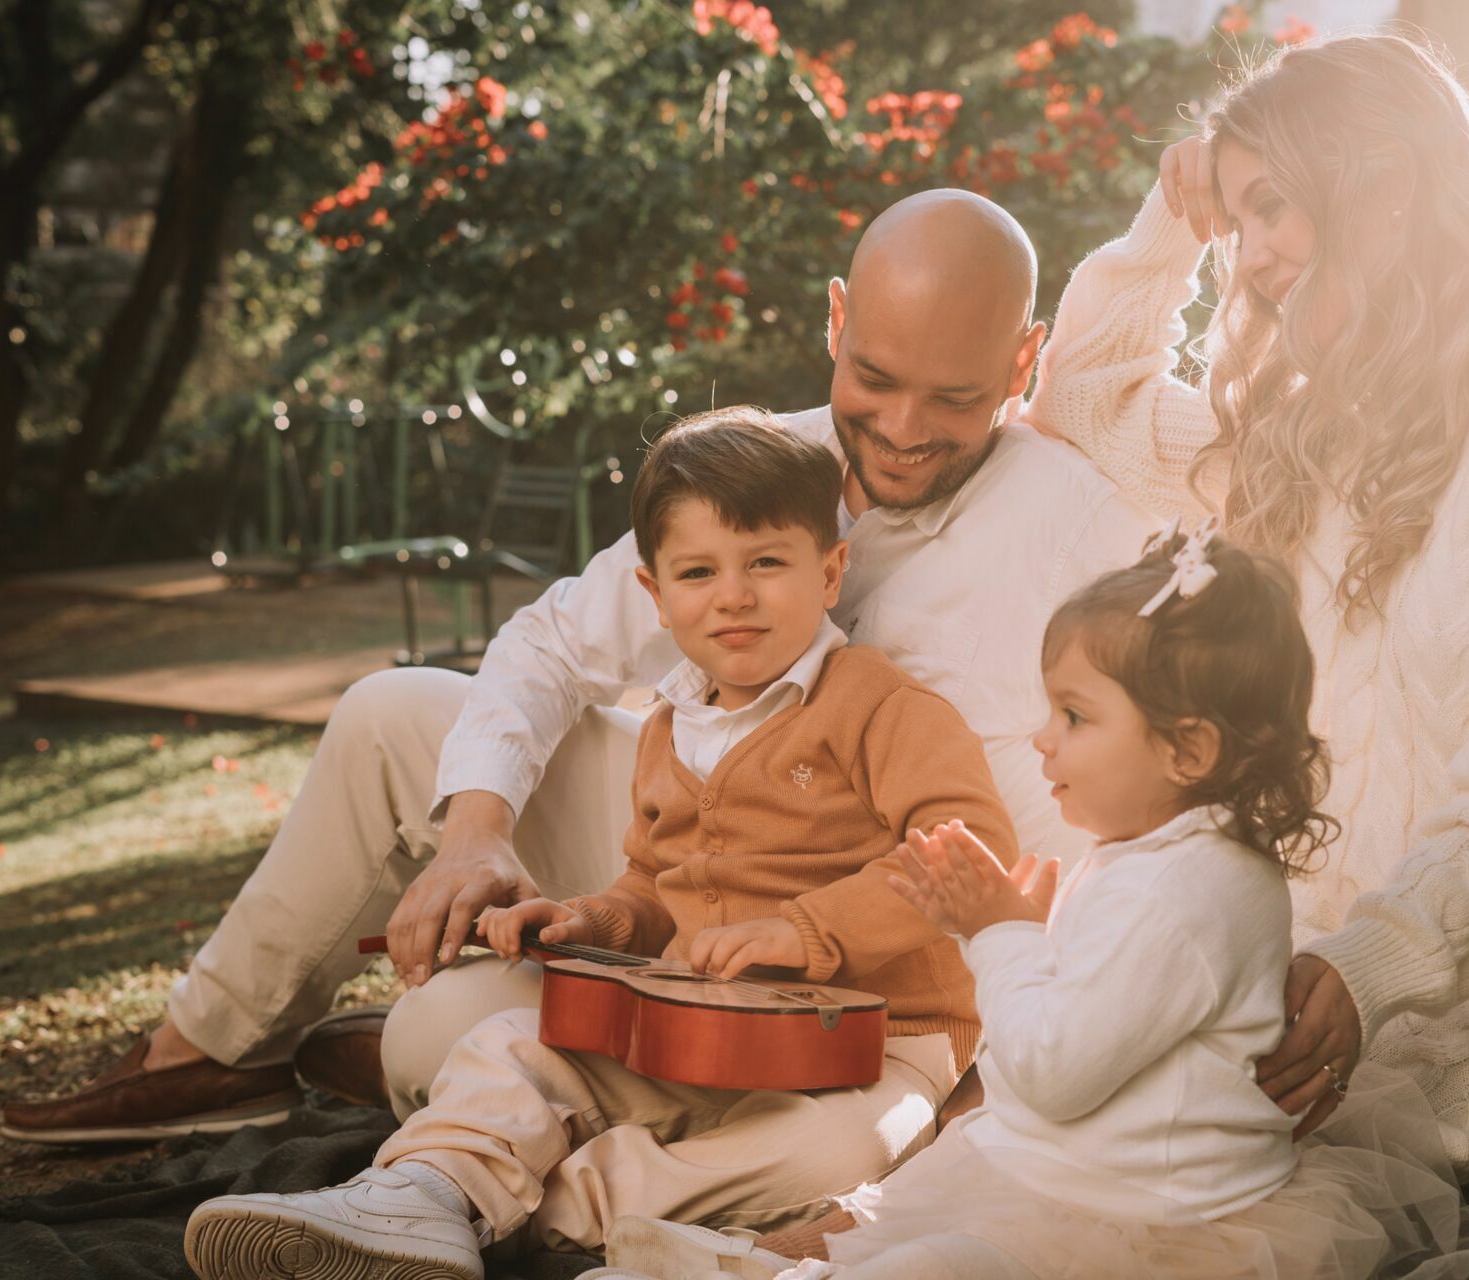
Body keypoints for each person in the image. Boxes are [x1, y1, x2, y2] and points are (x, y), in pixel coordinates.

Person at [1, 189, 1151, 1143]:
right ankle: (206, 1050)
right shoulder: (770, 458)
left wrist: (1005, 1033)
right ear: (836, 322)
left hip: (869, 937)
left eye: (955, 397)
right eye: (875, 377)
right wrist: (477, 832)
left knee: (426, 1040)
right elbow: (551, 639)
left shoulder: (1085, 529)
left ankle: (451, 1051)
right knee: (392, 707)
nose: (901, 429)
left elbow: (1121, 815)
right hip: (677, 862)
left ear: (1026, 358)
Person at [1023, 32, 1469, 1183]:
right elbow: (1084, 400)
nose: (1251, 256)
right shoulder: (1316, 414)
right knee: (1032, 1081)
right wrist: (1176, 219)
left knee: (1085, 1138)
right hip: (1318, 983)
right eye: (1241, 221)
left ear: (1389, 190)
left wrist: (1373, 966)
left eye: (1274, 209)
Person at [183, 407, 1022, 1278]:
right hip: (706, 1023)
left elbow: (967, 848)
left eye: (767, 563)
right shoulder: (668, 726)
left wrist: (805, 933)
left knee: (829, 1155)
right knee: (511, 1047)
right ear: (656, 596)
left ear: (831, 569)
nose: (734, 595)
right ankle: (421, 1194)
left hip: (881, 1042)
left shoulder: (879, 705)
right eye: (698, 572)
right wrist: (592, 923)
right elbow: (656, 886)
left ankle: (546, 1220)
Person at [589, 527, 1469, 1280]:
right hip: (1070, 1176)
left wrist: (999, 935)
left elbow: (1054, 1068)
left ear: (1185, 751)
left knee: (934, 1266)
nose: (1042, 736)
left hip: (1141, 1227)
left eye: (1074, 716)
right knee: (907, 1239)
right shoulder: (1170, 856)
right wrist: (1011, 930)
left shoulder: (1184, 895)